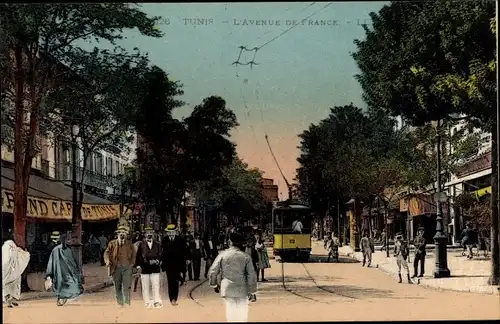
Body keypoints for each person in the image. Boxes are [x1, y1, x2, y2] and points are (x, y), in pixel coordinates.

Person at [208, 232, 258, 322]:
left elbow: (213, 271)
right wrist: (252, 291)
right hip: (242, 289)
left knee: (230, 313)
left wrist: (214, 285)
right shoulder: (246, 257)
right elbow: (251, 274)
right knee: (242, 314)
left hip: (227, 288)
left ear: (230, 242)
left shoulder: (222, 255)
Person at [45, 232, 84, 306]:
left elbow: (72, 261)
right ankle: (61, 298)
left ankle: (62, 298)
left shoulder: (64, 249)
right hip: (60, 271)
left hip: (64, 271)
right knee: (62, 284)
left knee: (64, 285)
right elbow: (52, 262)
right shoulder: (56, 250)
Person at [104, 225, 136, 307]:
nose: (122, 235)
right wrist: (107, 261)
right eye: (120, 233)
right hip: (116, 268)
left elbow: (134, 255)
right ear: (117, 234)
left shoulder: (130, 244)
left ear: (126, 235)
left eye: (124, 233)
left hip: (127, 268)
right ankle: (120, 303)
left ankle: (127, 302)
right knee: (117, 287)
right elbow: (106, 253)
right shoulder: (112, 243)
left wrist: (132, 264)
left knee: (126, 286)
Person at [135, 227, 163, 308]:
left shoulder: (157, 244)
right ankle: (147, 302)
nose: (149, 234)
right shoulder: (141, 244)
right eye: (147, 232)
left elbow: (161, 255)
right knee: (145, 286)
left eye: (151, 232)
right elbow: (138, 256)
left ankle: (156, 301)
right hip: (145, 268)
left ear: (153, 234)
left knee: (156, 285)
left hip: (155, 268)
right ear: (145, 234)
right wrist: (138, 266)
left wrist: (158, 261)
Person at [160, 224, 186, 306]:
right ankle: (172, 299)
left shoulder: (180, 240)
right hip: (168, 265)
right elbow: (162, 253)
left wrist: (184, 265)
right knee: (170, 282)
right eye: (169, 232)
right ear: (167, 233)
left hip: (178, 264)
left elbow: (183, 253)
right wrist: (162, 264)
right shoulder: (164, 240)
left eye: (172, 232)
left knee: (176, 282)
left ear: (175, 232)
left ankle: (175, 297)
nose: (171, 234)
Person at [2, 238, 30, 308]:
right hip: (15, 272)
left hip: (6, 272)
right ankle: (11, 300)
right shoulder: (16, 249)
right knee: (14, 287)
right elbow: (25, 255)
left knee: (6, 286)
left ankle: (10, 300)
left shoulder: (5, 249)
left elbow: (5, 261)